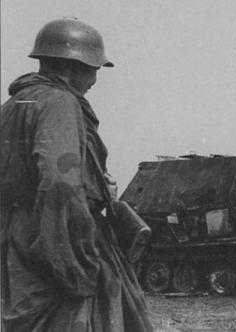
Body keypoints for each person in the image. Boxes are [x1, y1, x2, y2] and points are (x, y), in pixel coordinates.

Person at [0, 18, 153, 331]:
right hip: (57, 241)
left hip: (21, 244)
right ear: (74, 66)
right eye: (94, 69)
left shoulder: (14, 105)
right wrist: (77, 262)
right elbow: (60, 184)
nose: (95, 79)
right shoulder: (60, 102)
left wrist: (96, 183)